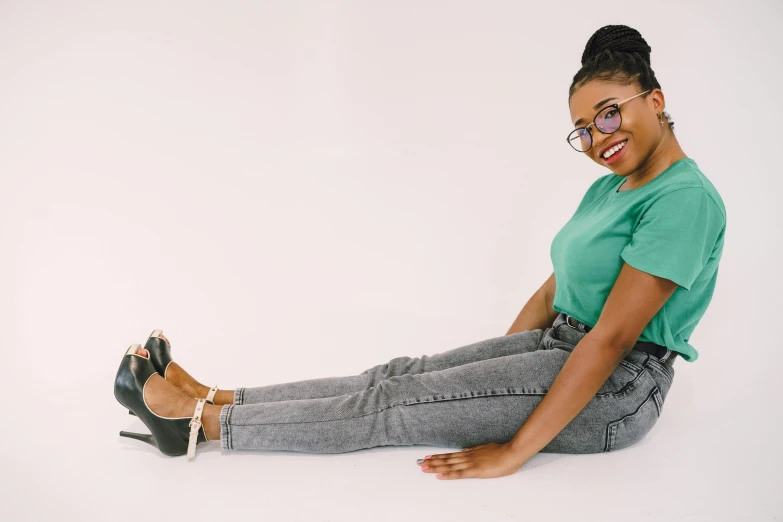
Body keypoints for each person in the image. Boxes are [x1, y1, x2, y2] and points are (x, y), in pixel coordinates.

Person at [114, 24, 726, 480]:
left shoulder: (683, 200)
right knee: (398, 375)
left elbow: (612, 340)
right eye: (585, 128)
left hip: (617, 387)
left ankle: (198, 426)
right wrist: (489, 375)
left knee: (392, 405)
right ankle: (218, 395)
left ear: (656, 100)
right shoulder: (610, 188)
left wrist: (514, 449)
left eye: (609, 113)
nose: (599, 136)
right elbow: (551, 291)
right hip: (559, 346)